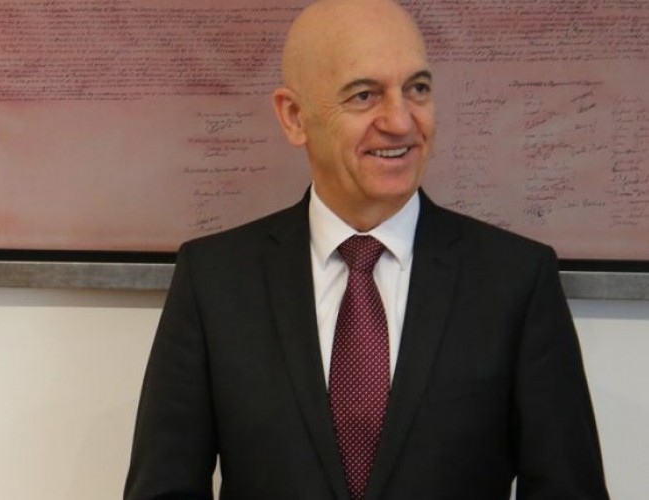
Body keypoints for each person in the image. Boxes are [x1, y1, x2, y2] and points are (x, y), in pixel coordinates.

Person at [124, 0, 610, 498]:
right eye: (364, 95)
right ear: (294, 116)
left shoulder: (515, 281)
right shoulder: (213, 281)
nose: (400, 121)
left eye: (417, 89)